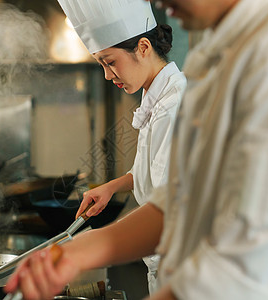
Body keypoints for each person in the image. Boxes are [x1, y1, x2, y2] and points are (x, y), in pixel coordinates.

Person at [5, 0, 268, 299]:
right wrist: (76, 253)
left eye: (110, 62)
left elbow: (249, 256)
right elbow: (181, 198)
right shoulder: (218, 55)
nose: (160, 2)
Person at [66, 0, 186, 293]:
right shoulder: (156, 97)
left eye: (110, 62)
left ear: (143, 47)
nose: (108, 75)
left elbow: (170, 208)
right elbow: (154, 169)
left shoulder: (174, 108)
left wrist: (94, 244)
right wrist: (112, 187)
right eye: (102, 65)